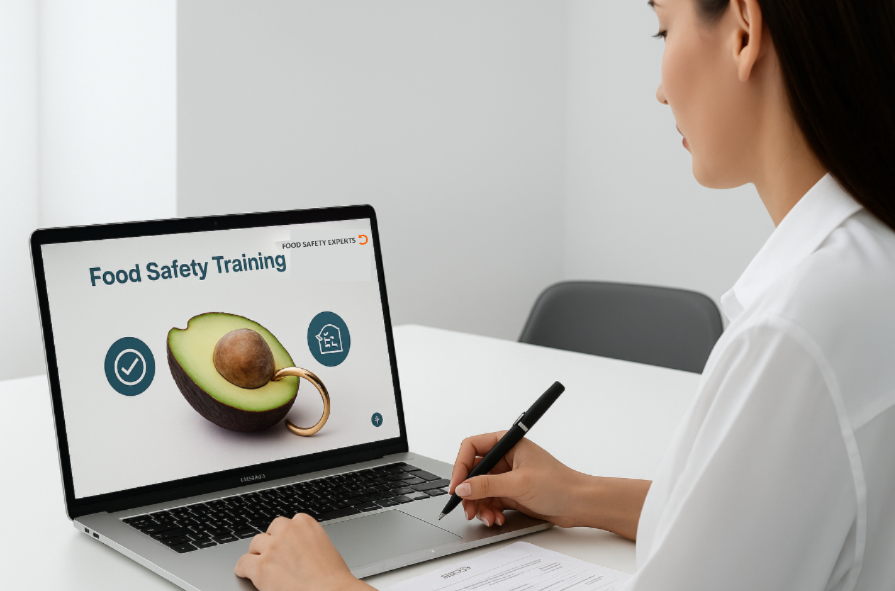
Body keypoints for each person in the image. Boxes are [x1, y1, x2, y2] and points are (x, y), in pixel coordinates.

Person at [234, 0, 895, 588]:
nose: (659, 89)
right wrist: (578, 493)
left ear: (744, 30)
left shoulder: (793, 338)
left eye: (662, 31)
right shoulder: (864, 273)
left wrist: (322, 585)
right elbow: (756, 526)